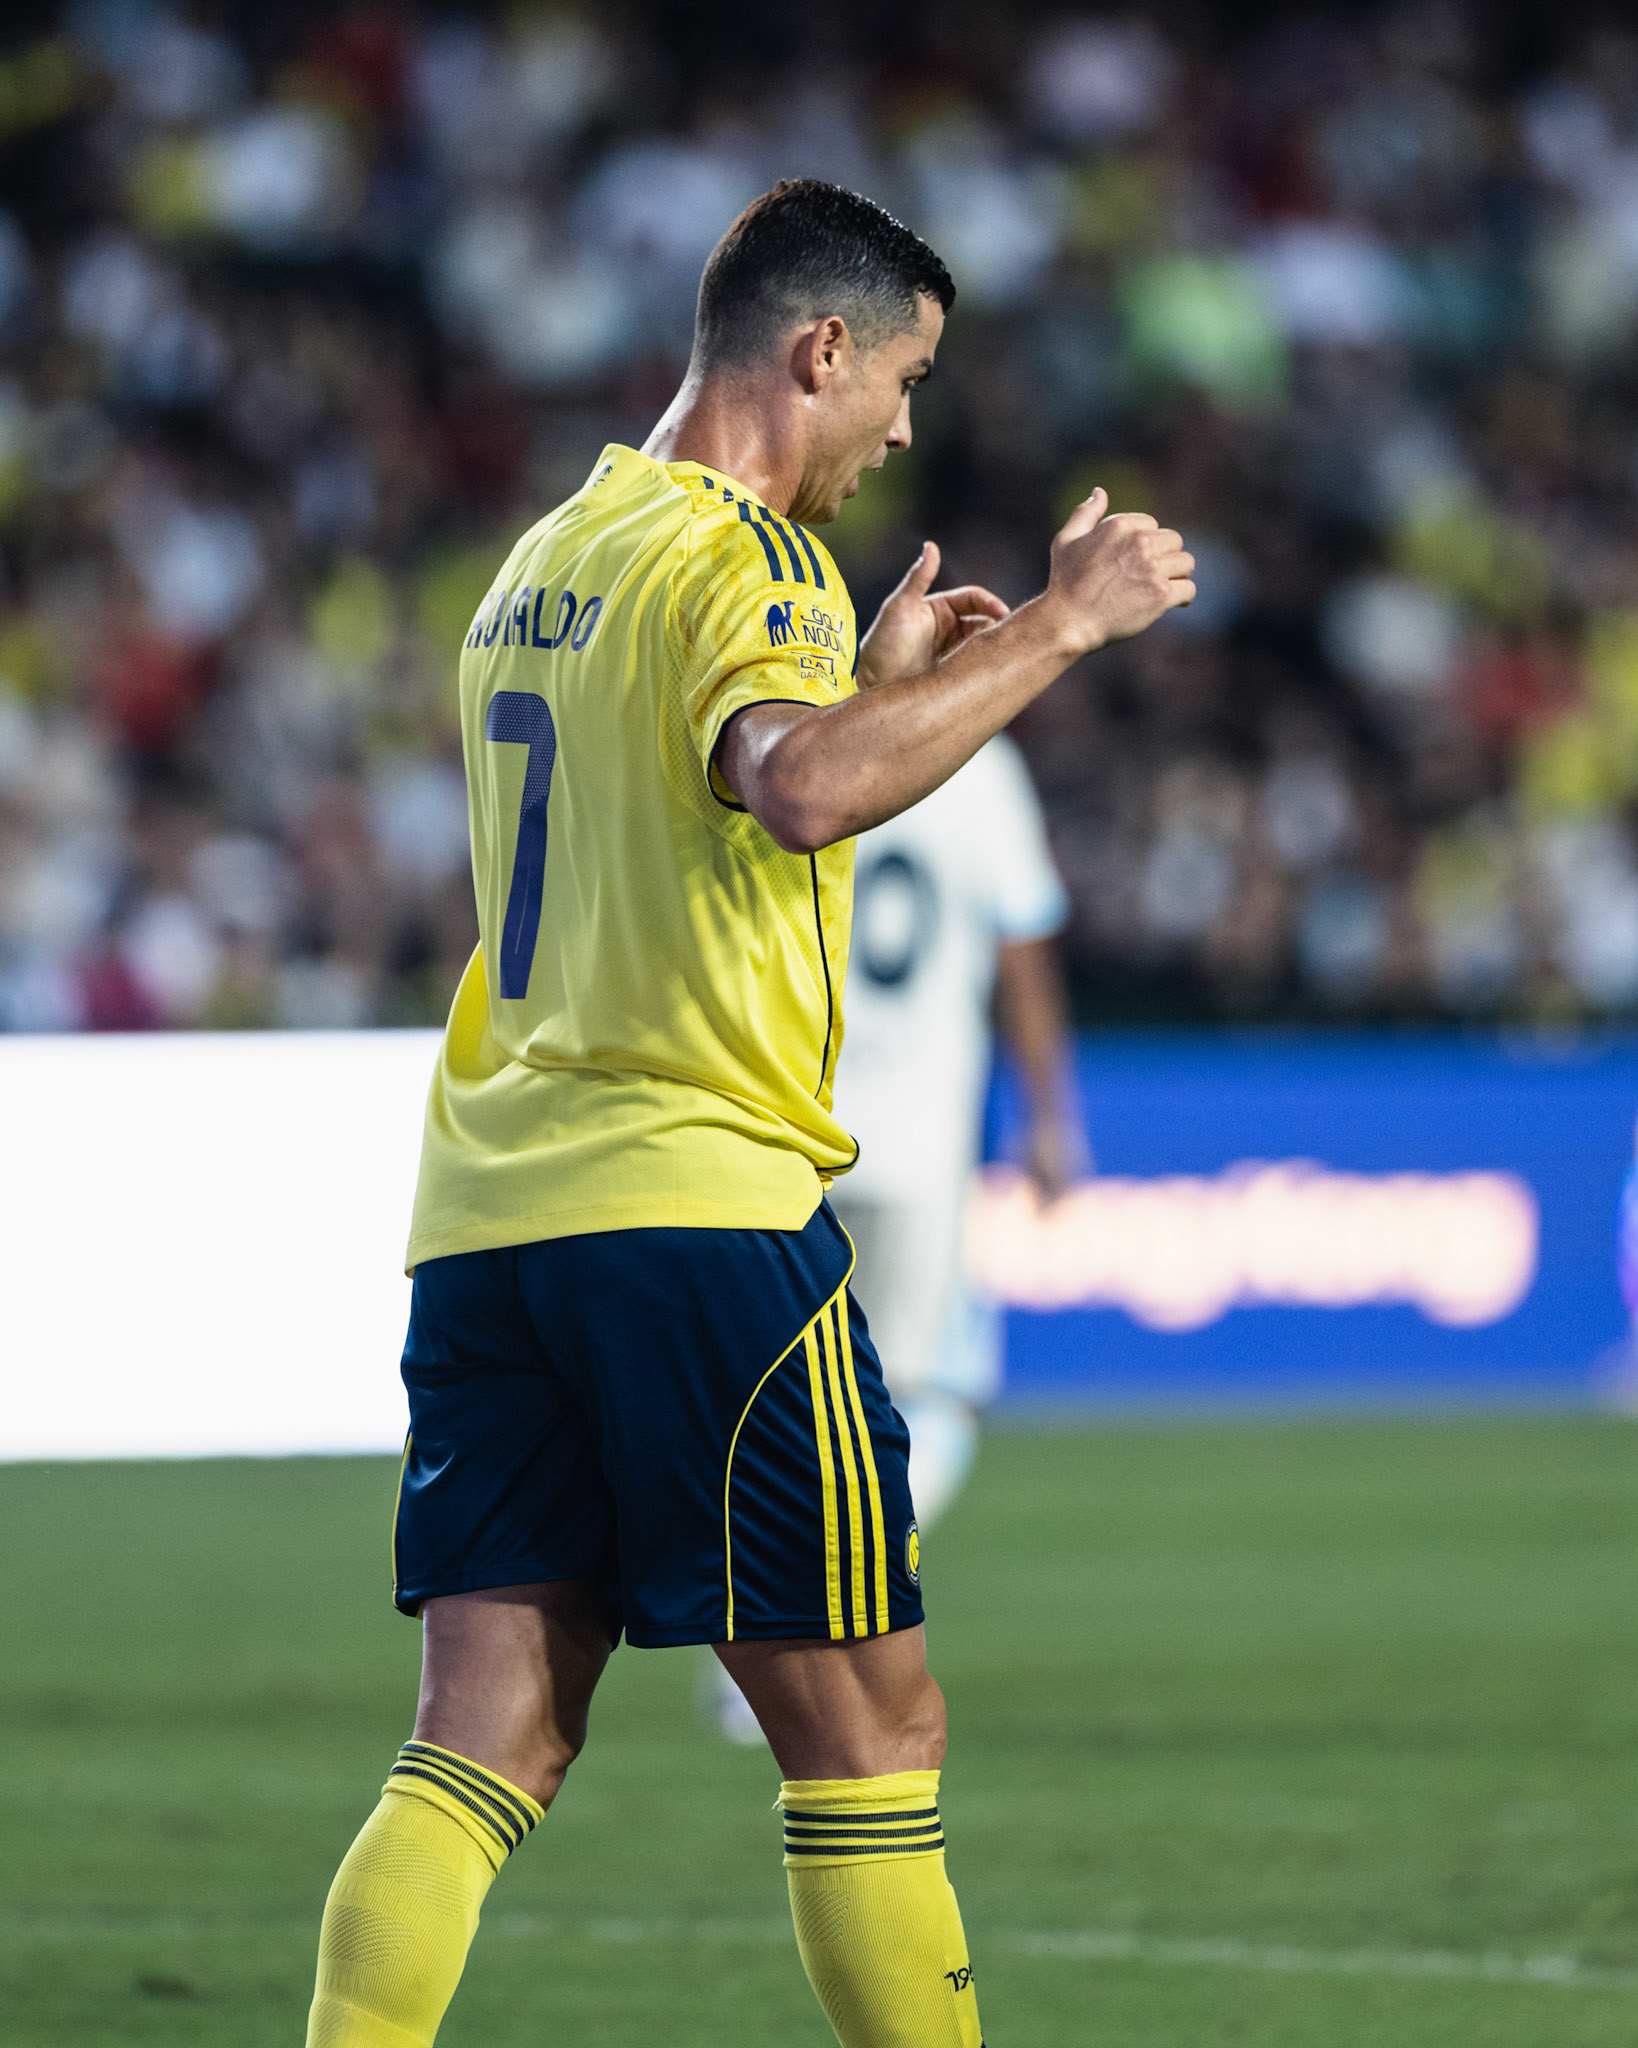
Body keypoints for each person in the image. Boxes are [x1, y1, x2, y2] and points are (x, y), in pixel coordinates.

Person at [304, 177, 1193, 2048]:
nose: (903, 428)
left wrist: (869, 689)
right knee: (873, 1729)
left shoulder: (544, 555)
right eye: (904, 379)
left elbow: (698, 813)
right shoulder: (741, 555)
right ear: (819, 350)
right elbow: (789, 794)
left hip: (491, 1209)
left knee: (485, 1731)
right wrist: (1054, 630)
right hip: (692, 1208)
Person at [713, 738, 1080, 1743]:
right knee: (929, 1400)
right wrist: (1051, 1117)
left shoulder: (795, 744)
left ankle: (753, 1634)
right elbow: (1023, 947)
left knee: (771, 1410)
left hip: (785, 1128)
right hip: (917, 1142)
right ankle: (809, 1632)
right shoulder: (984, 763)